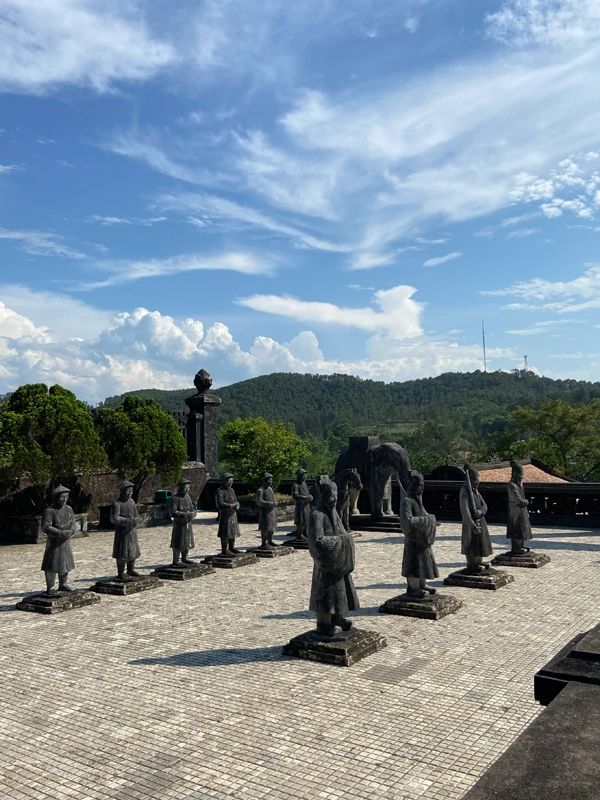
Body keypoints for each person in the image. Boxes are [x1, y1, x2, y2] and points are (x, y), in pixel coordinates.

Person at [308, 475, 359, 637]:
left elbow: (343, 533)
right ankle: (324, 623)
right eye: (331, 496)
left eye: (336, 496)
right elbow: (317, 541)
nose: (335, 499)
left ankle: (338, 617)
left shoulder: (334, 513)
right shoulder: (317, 514)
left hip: (339, 560)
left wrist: (345, 541)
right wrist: (341, 542)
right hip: (326, 562)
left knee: (340, 590)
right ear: (322, 496)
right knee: (327, 592)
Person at [399, 471, 439, 598]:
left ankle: (422, 584)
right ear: (414, 485)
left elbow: (424, 513)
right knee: (414, 563)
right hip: (413, 538)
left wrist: (430, 518)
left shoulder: (418, 499)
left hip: (422, 537)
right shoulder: (407, 500)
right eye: (421, 485)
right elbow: (406, 521)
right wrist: (426, 521)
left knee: (424, 561)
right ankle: (413, 588)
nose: (423, 488)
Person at [41, 485, 77, 595]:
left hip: (65, 541)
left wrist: (71, 531)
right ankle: (51, 587)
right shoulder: (50, 510)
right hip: (54, 543)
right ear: (56, 497)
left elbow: (73, 524)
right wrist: (59, 532)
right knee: (52, 564)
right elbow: (46, 527)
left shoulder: (69, 509)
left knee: (65, 563)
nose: (65, 499)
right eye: (62, 497)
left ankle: (63, 584)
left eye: (66, 497)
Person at [459, 464, 493, 573]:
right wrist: (472, 526)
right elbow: (464, 510)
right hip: (470, 522)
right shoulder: (465, 491)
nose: (477, 481)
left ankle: (479, 560)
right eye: (474, 479)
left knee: (480, 542)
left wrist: (481, 511)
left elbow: (485, 505)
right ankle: (472, 564)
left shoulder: (475, 491)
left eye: (477, 479)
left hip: (480, 519)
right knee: (471, 543)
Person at [111, 480, 142, 581]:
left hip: (132, 531)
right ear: (122, 491)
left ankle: (131, 569)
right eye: (127, 491)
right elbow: (114, 518)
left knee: (132, 551)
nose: (129, 493)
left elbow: (136, 514)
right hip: (122, 532)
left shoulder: (131, 501)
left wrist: (138, 519)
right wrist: (128, 520)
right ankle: (121, 572)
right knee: (122, 552)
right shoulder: (117, 503)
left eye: (131, 491)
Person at [507, 460, 532, 555]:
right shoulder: (511, 484)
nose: (522, 476)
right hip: (515, 509)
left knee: (522, 528)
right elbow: (518, 499)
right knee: (516, 529)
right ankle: (516, 548)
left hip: (521, 509)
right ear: (515, 474)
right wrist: (525, 502)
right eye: (520, 474)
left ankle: (521, 545)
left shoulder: (519, 483)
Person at [170, 477, 196, 566]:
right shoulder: (175, 498)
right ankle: (176, 560)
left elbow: (193, 509)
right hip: (179, 524)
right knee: (178, 541)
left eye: (188, 488)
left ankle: (185, 558)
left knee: (187, 540)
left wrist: (193, 514)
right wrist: (184, 515)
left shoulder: (188, 498)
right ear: (181, 488)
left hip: (187, 523)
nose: (187, 490)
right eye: (186, 488)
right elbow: (173, 512)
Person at [216, 473, 242, 556]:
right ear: (224, 481)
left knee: (232, 531)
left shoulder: (231, 490)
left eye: (232, 481)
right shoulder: (220, 491)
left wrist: (237, 505)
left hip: (233, 514)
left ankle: (232, 547)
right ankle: (224, 549)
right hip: (225, 514)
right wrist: (231, 506)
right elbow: (220, 504)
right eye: (229, 481)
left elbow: (236, 500)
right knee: (225, 532)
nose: (230, 483)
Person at [256, 472, 280, 549]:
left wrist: (275, 502)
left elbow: (273, 498)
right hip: (265, 512)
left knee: (271, 527)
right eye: (269, 480)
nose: (271, 482)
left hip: (272, 511)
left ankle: (270, 541)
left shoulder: (270, 489)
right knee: (265, 528)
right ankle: (264, 543)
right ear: (265, 481)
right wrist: (271, 503)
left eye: (271, 480)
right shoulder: (261, 490)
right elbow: (259, 502)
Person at [291, 468, 312, 540]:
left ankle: (305, 533)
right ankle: (299, 535)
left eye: (305, 475)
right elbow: (295, 495)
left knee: (307, 520)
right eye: (303, 476)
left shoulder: (304, 484)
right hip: (300, 505)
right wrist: (304, 497)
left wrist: (310, 497)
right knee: (300, 520)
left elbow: (308, 493)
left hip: (306, 505)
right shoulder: (295, 485)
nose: (305, 477)